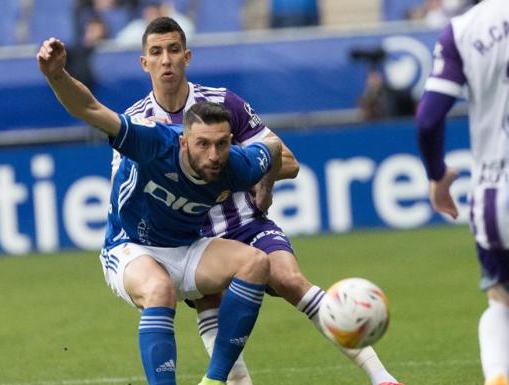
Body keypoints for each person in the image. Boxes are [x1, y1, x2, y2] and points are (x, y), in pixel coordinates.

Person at [120, 16, 404, 385]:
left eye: (174, 50)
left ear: (187, 56)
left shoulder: (224, 104)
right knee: (211, 304)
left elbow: (286, 159)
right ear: (145, 63)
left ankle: (383, 378)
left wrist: (261, 179)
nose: (166, 60)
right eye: (156, 52)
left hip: (244, 223)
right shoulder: (136, 123)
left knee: (289, 278)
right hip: (190, 238)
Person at [37, 37, 283, 385]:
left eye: (221, 145)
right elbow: (90, 109)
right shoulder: (152, 141)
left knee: (256, 263)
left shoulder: (235, 164)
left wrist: (266, 189)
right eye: (202, 144)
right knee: (160, 289)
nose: (213, 155)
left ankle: (214, 380)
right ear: (183, 141)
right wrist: (57, 75)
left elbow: (271, 148)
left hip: (186, 246)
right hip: (131, 247)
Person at [416, 1, 509, 384]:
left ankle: (499, 376)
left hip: (496, 193)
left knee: (501, 299)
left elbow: (428, 118)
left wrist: (437, 175)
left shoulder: (462, 29)